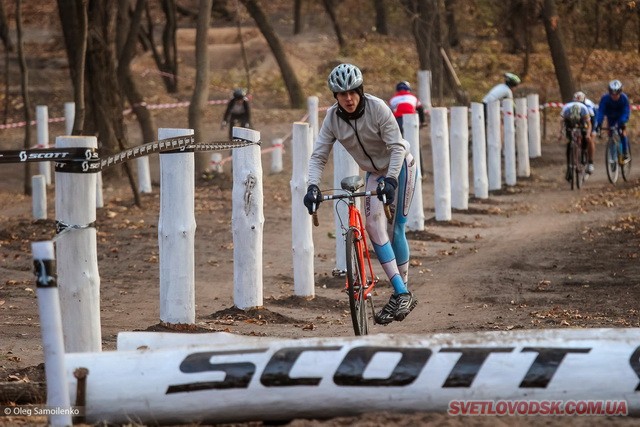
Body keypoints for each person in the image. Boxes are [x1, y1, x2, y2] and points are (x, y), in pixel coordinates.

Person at [303, 63, 418, 325]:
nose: (348, 98)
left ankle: (403, 291)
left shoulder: (378, 108)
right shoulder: (332, 118)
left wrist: (390, 179)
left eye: (353, 92)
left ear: (361, 90)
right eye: (342, 94)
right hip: (374, 173)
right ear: (335, 97)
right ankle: (402, 293)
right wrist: (312, 186)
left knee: (395, 229)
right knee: (372, 226)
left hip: (399, 167)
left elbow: (397, 147)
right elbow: (319, 155)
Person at [595, 79, 631, 162]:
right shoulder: (605, 98)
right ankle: (612, 157)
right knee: (610, 134)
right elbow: (601, 111)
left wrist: (622, 122)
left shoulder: (624, 98)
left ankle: (625, 152)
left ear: (620, 92)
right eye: (612, 94)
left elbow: (626, 111)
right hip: (610, 117)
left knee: (622, 131)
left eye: (617, 94)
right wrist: (599, 123)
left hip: (621, 116)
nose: (614, 96)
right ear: (609, 92)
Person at [559, 96, 594, 177]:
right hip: (569, 122)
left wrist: (588, 134)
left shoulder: (584, 109)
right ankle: (569, 166)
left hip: (581, 121)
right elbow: (561, 121)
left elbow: (589, 125)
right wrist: (560, 133)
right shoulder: (566, 109)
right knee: (569, 142)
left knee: (584, 135)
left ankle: (583, 152)